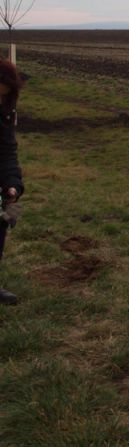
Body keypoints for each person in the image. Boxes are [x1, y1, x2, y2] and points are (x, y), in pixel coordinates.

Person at [0, 59, 25, 305]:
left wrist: (13, 185)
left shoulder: (5, 114)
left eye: (4, 96)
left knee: (3, 221)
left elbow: (7, 153)